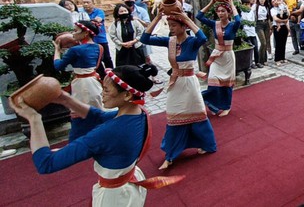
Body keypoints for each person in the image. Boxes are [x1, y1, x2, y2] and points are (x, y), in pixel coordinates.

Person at [8, 64, 182, 207]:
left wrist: (34, 118)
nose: (101, 93)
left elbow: (46, 163)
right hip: (128, 184)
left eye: (106, 90)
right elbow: (98, 115)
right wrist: (65, 99)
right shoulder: (138, 113)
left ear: (127, 94)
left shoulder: (107, 133)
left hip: (114, 198)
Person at [141, 11, 217, 170]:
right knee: (174, 117)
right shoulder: (170, 41)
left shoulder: (192, 42)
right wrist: (157, 17)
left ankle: (207, 144)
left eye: (174, 25)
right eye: (169, 26)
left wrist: (186, 18)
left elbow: (203, 38)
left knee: (198, 116)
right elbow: (145, 39)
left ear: (184, 26)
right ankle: (170, 154)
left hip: (190, 84)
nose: (171, 28)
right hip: (175, 84)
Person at [54, 20, 104, 141]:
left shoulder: (75, 50)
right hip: (94, 81)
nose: (73, 34)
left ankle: (76, 141)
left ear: (86, 33)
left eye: (76, 31)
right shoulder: (99, 47)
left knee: (79, 111)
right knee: (98, 109)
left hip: (82, 84)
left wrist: (57, 50)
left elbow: (58, 66)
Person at [197, 0, 241, 117]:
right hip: (217, 57)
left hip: (228, 57)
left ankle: (226, 106)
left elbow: (238, 20)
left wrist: (231, 3)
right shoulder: (214, 24)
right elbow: (199, 16)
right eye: (219, 11)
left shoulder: (233, 25)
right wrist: (211, 2)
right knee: (213, 82)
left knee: (226, 84)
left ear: (228, 12)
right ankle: (213, 105)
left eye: (223, 11)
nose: (220, 13)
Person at [81, 0, 114, 71]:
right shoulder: (80, 12)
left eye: (88, 2)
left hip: (100, 39)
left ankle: (112, 73)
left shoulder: (99, 11)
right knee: (94, 59)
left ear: (93, 3)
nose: (85, 4)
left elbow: (98, 20)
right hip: (88, 41)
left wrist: (85, 23)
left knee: (107, 58)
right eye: (84, 2)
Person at [269, 0, 289, 65]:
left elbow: (287, 15)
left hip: (284, 26)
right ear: (271, 3)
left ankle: (282, 57)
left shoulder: (282, 7)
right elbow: (276, 19)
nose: (275, 2)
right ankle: (277, 59)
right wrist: (284, 20)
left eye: (276, 0)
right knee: (278, 43)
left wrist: (285, 20)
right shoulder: (272, 10)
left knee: (283, 43)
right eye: (273, 1)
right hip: (276, 27)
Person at [240, 0, 259, 68]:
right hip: (245, 33)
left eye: (248, 4)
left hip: (252, 32)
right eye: (245, 4)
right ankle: (250, 63)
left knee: (256, 48)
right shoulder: (241, 12)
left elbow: (253, 21)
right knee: (249, 49)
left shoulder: (251, 11)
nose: (247, 6)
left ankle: (257, 62)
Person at [254, 0, 271, 67]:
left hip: (266, 24)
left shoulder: (267, 6)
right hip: (259, 24)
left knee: (266, 42)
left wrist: (270, 27)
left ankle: (265, 59)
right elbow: (251, 14)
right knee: (263, 42)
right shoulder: (255, 6)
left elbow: (269, 17)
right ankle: (259, 60)